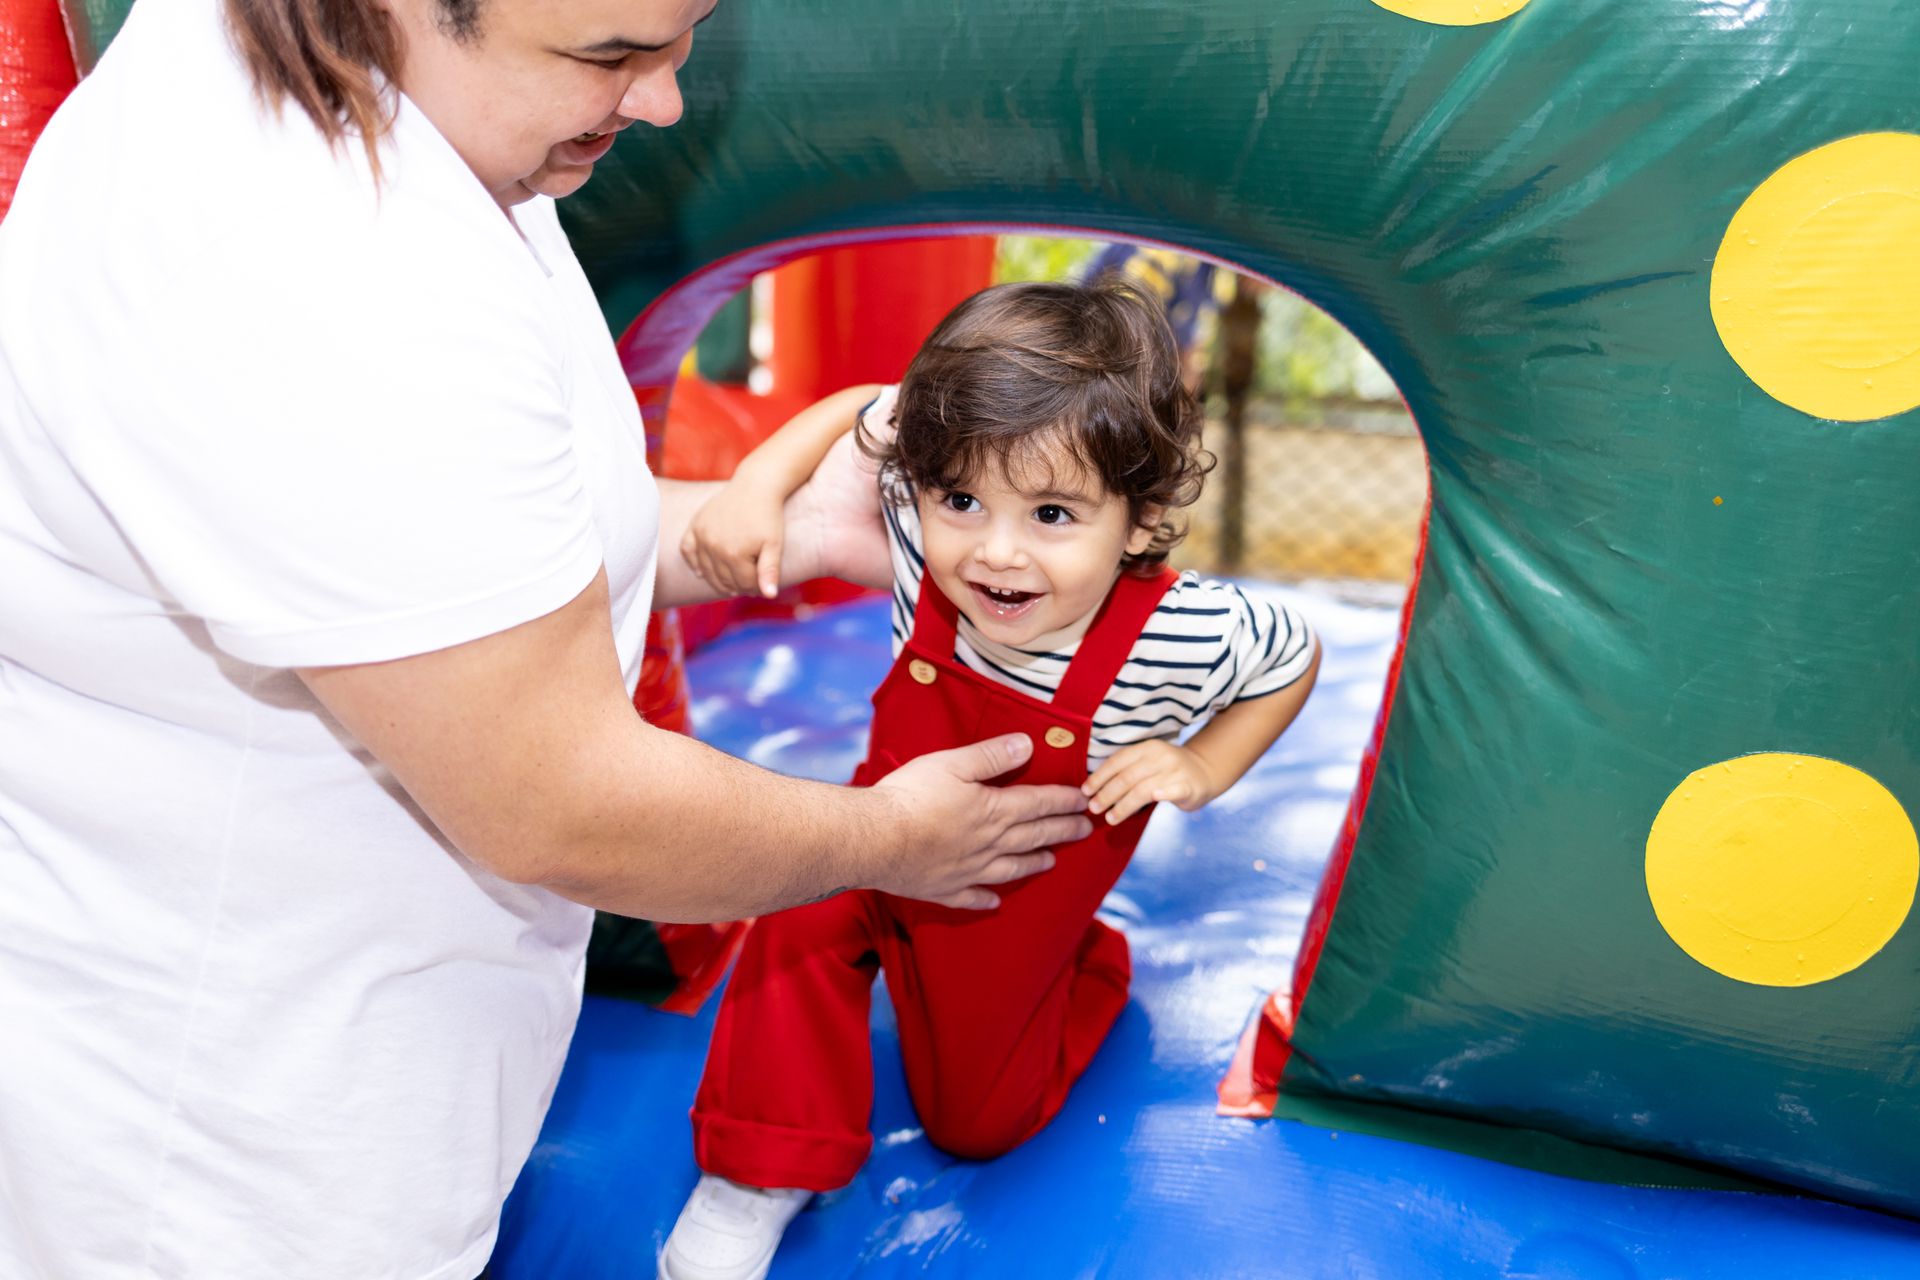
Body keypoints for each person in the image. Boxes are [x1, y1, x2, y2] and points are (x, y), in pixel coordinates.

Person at [0, 0, 1096, 1275]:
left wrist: (784, 527)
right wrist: (896, 841)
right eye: (613, 58)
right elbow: (560, 801)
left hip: (345, 1070)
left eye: (684, 38)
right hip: (228, 1159)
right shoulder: (313, 259)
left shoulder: (415, 114)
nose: (664, 100)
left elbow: (453, 560)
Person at [660, 281, 1322, 1280]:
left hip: (1011, 888)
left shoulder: (1188, 630)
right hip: (878, 826)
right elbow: (856, 406)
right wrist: (755, 483)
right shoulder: (926, 528)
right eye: (961, 498)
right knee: (794, 909)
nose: (996, 550)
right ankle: (759, 1167)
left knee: (977, 1124)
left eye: (1053, 513)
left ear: (1140, 523)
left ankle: (1085, 964)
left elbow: (1292, 657)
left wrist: (1202, 762)